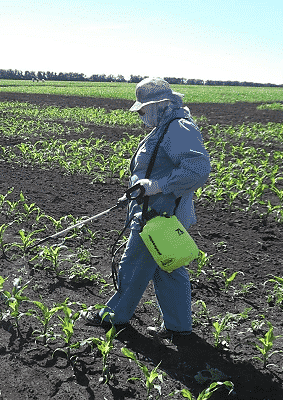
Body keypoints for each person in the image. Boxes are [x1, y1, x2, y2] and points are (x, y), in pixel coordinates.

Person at [82, 77, 211, 339]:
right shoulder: (166, 127)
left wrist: (157, 186)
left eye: (143, 109)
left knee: (133, 265)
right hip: (159, 212)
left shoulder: (178, 128)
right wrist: (143, 189)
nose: (140, 115)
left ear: (159, 105)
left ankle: (113, 316)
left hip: (159, 216)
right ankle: (179, 328)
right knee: (169, 269)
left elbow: (197, 170)